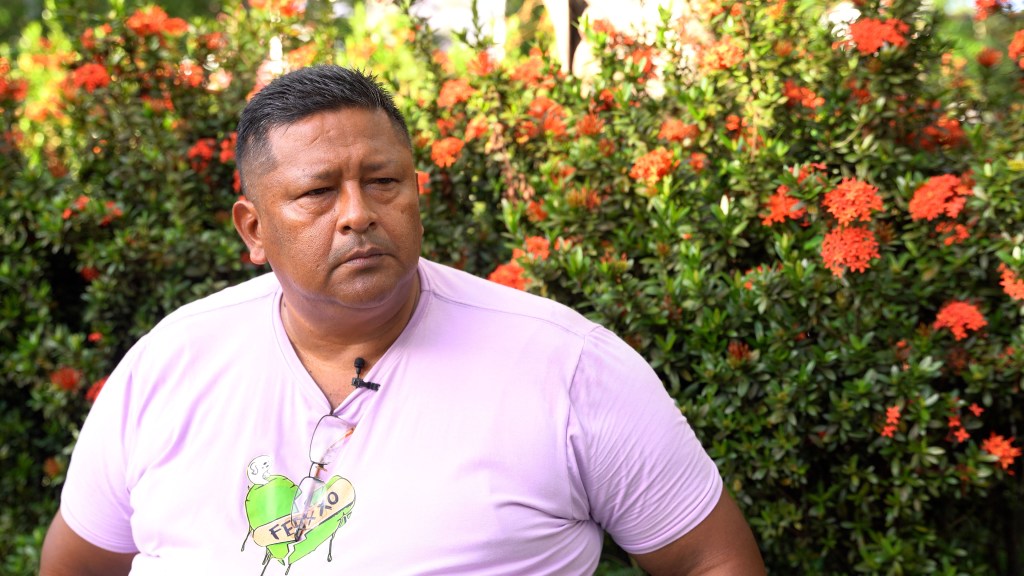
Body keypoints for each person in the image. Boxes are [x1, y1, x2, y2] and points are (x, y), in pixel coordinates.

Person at [40, 65, 765, 575]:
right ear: (254, 229)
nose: (357, 213)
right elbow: (77, 565)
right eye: (318, 192)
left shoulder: (567, 367)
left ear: (416, 193)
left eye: (382, 181)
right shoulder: (169, 364)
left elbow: (711, 560)